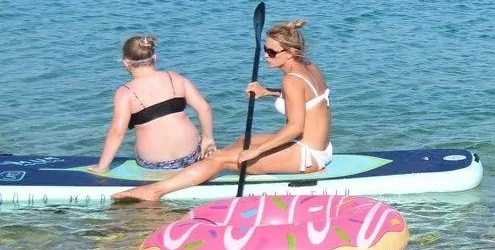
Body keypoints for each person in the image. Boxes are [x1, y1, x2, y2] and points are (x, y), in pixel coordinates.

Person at [114, 19, 332, 202]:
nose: (266, 55)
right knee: (243, 140)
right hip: (318, 147)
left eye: (272, 52)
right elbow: (306, 98)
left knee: (221, 158)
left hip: (306, 156)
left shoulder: (291, 81)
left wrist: (257, 151)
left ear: (290, 52)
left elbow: (295, 127)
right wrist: (267, 91)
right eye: (265, 49)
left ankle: (155, 191)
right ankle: (204, 170)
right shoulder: (309, 67)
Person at [89, 35, 217, 174]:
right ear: (154, 58)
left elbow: (117, 132)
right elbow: (204, 108)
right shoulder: (175, 77)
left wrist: (102, 166)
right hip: (192, 155)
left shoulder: (125, 93)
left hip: (155, 163)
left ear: (126, 63)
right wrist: (208, 139)